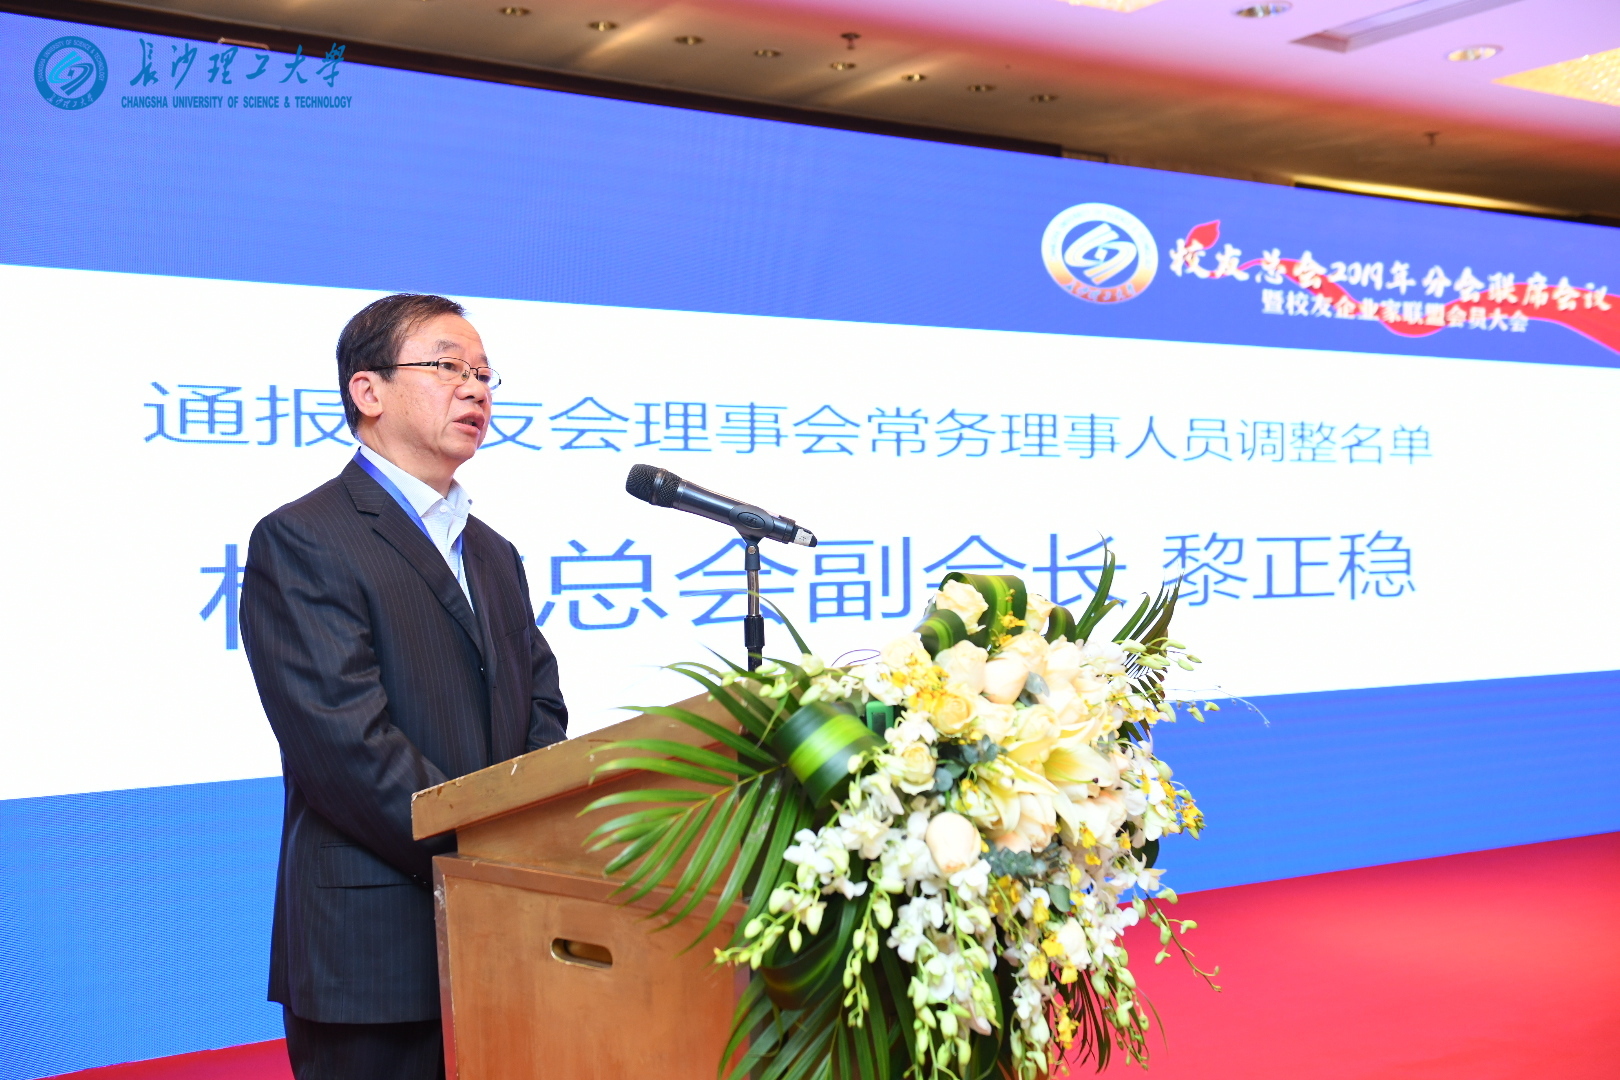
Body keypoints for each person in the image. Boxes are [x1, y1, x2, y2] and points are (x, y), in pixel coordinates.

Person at [242, 293, 567, 1080]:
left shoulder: (493, 551)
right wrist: (487, 861)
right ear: (369, 390)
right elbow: (347, 749)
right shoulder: (304, 537)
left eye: (484, 374)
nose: (475, 388)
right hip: (374, 954)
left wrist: (521, 855)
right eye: (449, 366)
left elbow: (541, 705)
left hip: (505, 937)